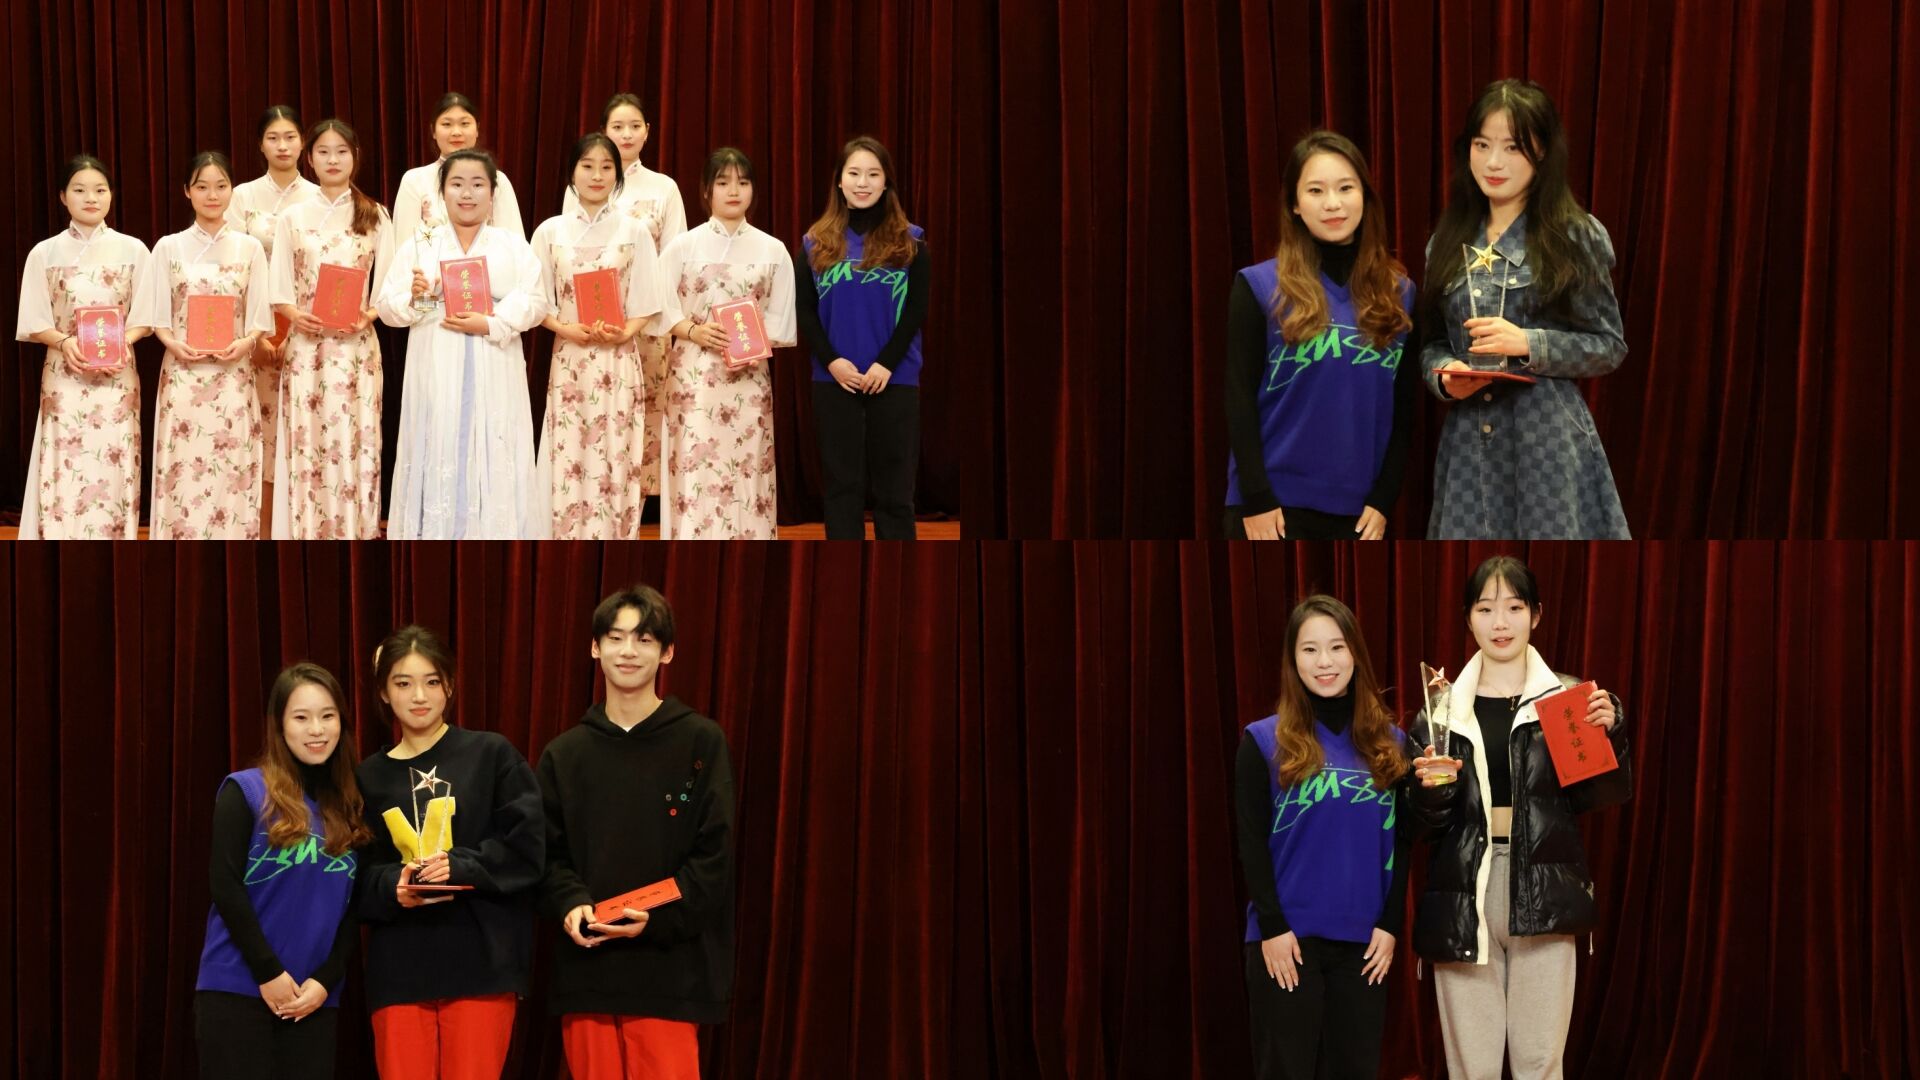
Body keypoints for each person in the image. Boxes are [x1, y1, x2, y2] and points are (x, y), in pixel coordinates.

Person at [1408, 554, 1633, 1079]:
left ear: (1536, 614)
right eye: (1485, 608)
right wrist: (1430, 790)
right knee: (1472, 1067)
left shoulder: (1569, 700)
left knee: (1539, 1061)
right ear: (1468, 619)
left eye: (1514, 607)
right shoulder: (1440, 711)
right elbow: (1419, 828)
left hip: (1544, 888)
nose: (1500, 622)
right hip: (1466, 892)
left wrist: (1613, 732)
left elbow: (1598, 798)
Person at [536, 584, 734, 1080]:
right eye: (616, 637)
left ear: (667, 652)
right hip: (588, 971)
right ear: (595, 647)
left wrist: (656, 919)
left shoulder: (701, 741)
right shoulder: (564, 753)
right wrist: (570, 903)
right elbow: (547, 855)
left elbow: (714, 855)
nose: (628, 651)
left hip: (671, 972)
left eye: (644, 639)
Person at [1420, 78, 1631, 539]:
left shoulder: (1574, 235)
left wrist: (1528, 343)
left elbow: (1608, 346)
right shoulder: (1445, 241)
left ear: (1543, 153)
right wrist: (1445, 376)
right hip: (1468, 445)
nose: (1493, 162)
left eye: (1513, 147)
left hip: (1547, 446)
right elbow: (1430, 343)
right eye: (1482, 144)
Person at [1233, 595, 1414, 1080]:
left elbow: (1403, 843)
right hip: (1287, 942)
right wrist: (1272, 928)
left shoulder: (1392, 744)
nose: (1325, 661)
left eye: (1336, 647)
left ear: (1355, 653)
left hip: (1365, 944)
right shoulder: (1262, 741)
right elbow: (1250, 843)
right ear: (1293, 660)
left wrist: (1390, 925)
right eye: (1309, 649)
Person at [354, 625, 544, 1079]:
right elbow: (351, 874)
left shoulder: (491, 754)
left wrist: (461, 866)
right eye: (403, 683)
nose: (419, 696)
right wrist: (392, 885)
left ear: (450, 686)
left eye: (432, 681)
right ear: (383, 692)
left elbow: (529, 847)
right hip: (398, 972)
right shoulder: (365, 777)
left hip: (481, 966)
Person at [1223, 131, 1417, 541]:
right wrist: (1257, 498)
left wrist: (1384, 500)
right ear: (1295, 204)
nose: (1333, 203)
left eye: (1346, 188)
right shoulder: (1258, 286)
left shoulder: (1400, 294)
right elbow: (1238, 399)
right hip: (1272, 510)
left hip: (1360, 514)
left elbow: (1404, 410)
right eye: (1315, 190)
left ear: (1364, 196)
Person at [193, 662, 371, 1080]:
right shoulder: (244, 791)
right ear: (280, 725)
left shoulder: (350, 808)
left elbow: (355, 907)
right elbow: (225, 887)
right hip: (238, 990)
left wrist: (326, 980)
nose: (317, 729)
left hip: (313, 1000)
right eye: (301, 717)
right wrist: (268, 972)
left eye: (327, 716)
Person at [376, 148, 548, 539]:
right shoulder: (421, 244)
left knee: (495, 447)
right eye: (456, 184)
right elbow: (387, 308)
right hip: (437, 366)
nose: (467, 194)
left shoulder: (512, 245)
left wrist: (491, 323)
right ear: (442, 192)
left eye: (477, 185)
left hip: (495, 364)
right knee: (437, 443)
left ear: (493, 193)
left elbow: (536, 301)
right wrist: (420, 298)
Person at [654, 148, 797, 539]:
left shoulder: (773, 250)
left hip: (749, 378)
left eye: (743, 182)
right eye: (723, 182)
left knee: (748, 470)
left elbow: (782, 320)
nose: (734, 191)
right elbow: (657, 307)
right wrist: (692, 330)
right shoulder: (683, 247)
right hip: (694, 379)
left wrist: (752, 338)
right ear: (706, 190)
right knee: (694, 468)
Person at [130, 151, 274, 538]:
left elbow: (259, 316)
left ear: (232, 190)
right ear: (186, 191)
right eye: (202, 187)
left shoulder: (249, 248)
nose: (212, 195)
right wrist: (171, 343)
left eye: (221, 186)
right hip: (183, 374)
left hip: (233, 375)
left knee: (232, 465)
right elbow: (155, 314)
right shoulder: (168, 247)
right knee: (183, 465)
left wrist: (247, 343)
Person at [530, 132, 666, 538]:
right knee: (569, 448)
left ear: (617, 175)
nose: (597, 175)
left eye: (607, 167)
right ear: (572, 172)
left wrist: (625, 332)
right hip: (570, 357)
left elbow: (648, 299)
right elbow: (536, 300)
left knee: (615, 447)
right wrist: (564, 327)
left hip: (618, 359)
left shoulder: (635, 231)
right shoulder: (550, 231)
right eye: (587, 166)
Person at [797, 135, 931, 539]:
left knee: (896, 494)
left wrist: (885, 364)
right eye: (854, 173)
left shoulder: (911, 241)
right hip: (834, 380)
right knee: (842, 490)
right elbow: (805, 311)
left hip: (895, 378)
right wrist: (832, 362)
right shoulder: (815, 242)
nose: (863, 182)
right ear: (839, 181)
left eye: (873, 174)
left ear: (886, 181)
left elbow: (916, 311)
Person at [12, 154, 152, 537]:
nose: (91, 198)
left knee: (116, 462)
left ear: (111, 195)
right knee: (65, 463)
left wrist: (122, 342)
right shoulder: (44, 253)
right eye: (80, 190)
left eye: (100, 190)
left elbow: (147, 316)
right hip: (64, 375)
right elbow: (35, 320)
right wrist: (65, 342)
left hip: (117, 376)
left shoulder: (134, 250)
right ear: (63, 196)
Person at [561, 92, 688, 512]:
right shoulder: (583, 181)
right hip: (589, 321)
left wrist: (649, 313)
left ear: (648, 131)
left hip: (646, 319)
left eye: (635, 126)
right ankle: (593, 491)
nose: (627, 134)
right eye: (618, 127)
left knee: (647, 405)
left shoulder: (664, 187)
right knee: (593, 409)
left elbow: (675, 256)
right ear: (604, 131)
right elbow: (568, 253)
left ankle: (640, 499)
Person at [268, 118, 393, 539]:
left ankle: (357, 529)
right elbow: (278, 288)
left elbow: (387, 287)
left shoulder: (375, 214)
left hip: (357, 348)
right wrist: (295, 314)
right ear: (310, 158)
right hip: (307, 348)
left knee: (357, 440)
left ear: (355, 157)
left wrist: (368, 316)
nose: (333, 159)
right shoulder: (292, 217)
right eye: (323, 152)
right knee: (308, 443)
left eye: (342, 151)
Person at [227, 104, 319, 534]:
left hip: (308, 328)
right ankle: (260, 529)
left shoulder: (318, 197)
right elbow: (231, 268)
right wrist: (257, 334)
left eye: (290, 137)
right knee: (259, 431)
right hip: (252, 331)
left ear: (303, 144)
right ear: (260, 145)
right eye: (273, 138)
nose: (282, 146)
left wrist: (296, 327)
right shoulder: (242, 196)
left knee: (300, 431)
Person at [392, 92, 526, 241]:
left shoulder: (497, 180)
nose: (456, 132)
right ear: (433, 131)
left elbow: (515, 243)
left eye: (464, 124)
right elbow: (404, 245)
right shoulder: (414, 180)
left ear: (477, 129)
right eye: (446, 124)